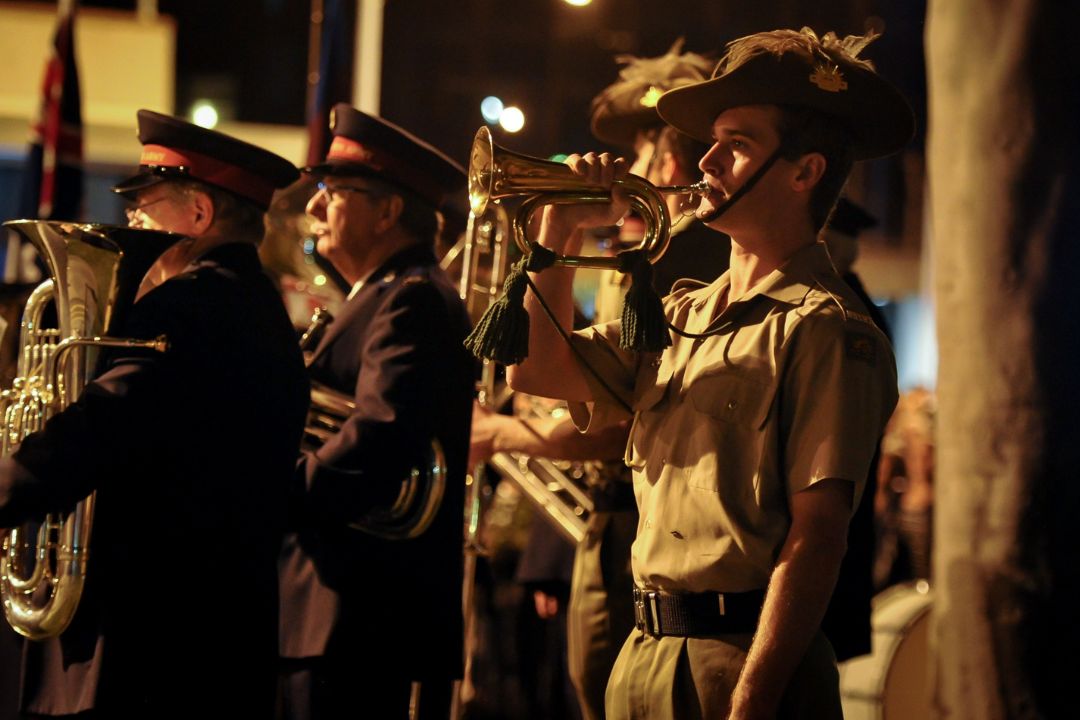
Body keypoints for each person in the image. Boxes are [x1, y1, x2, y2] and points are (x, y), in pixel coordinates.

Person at [506, 27, 912, 719]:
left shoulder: (827, 327)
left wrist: (754, 698)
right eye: (713, 140)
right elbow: (538, 371)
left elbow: (818, 536)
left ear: (803, 172)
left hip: (740, 660)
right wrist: (559, 234)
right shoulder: (680, 310)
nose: (709, 159)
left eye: (738, 143)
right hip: (644, 654)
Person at [0, 109, 309, 717]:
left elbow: (94, 432)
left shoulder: (193, 308)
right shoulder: (250, 306)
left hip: (151, 651)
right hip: (206, 646)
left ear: (199, 214)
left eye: (147, 202)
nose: (130, 218)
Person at [469, 41, 729, 720]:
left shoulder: (680, 256)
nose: (634, 171)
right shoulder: (646, 253)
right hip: (621, 530)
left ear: (665, 161)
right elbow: (549, 368)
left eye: (642, 156)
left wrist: (504, 431)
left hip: (644, 530)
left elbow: (620, 418)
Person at [278, 104, 474, 720]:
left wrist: (268, 494)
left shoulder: (412, 299)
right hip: (336, 613)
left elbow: (379, 440)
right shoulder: (378, 298)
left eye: (334, 192)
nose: (313, 207)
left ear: (389, 211)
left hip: (363, 617)